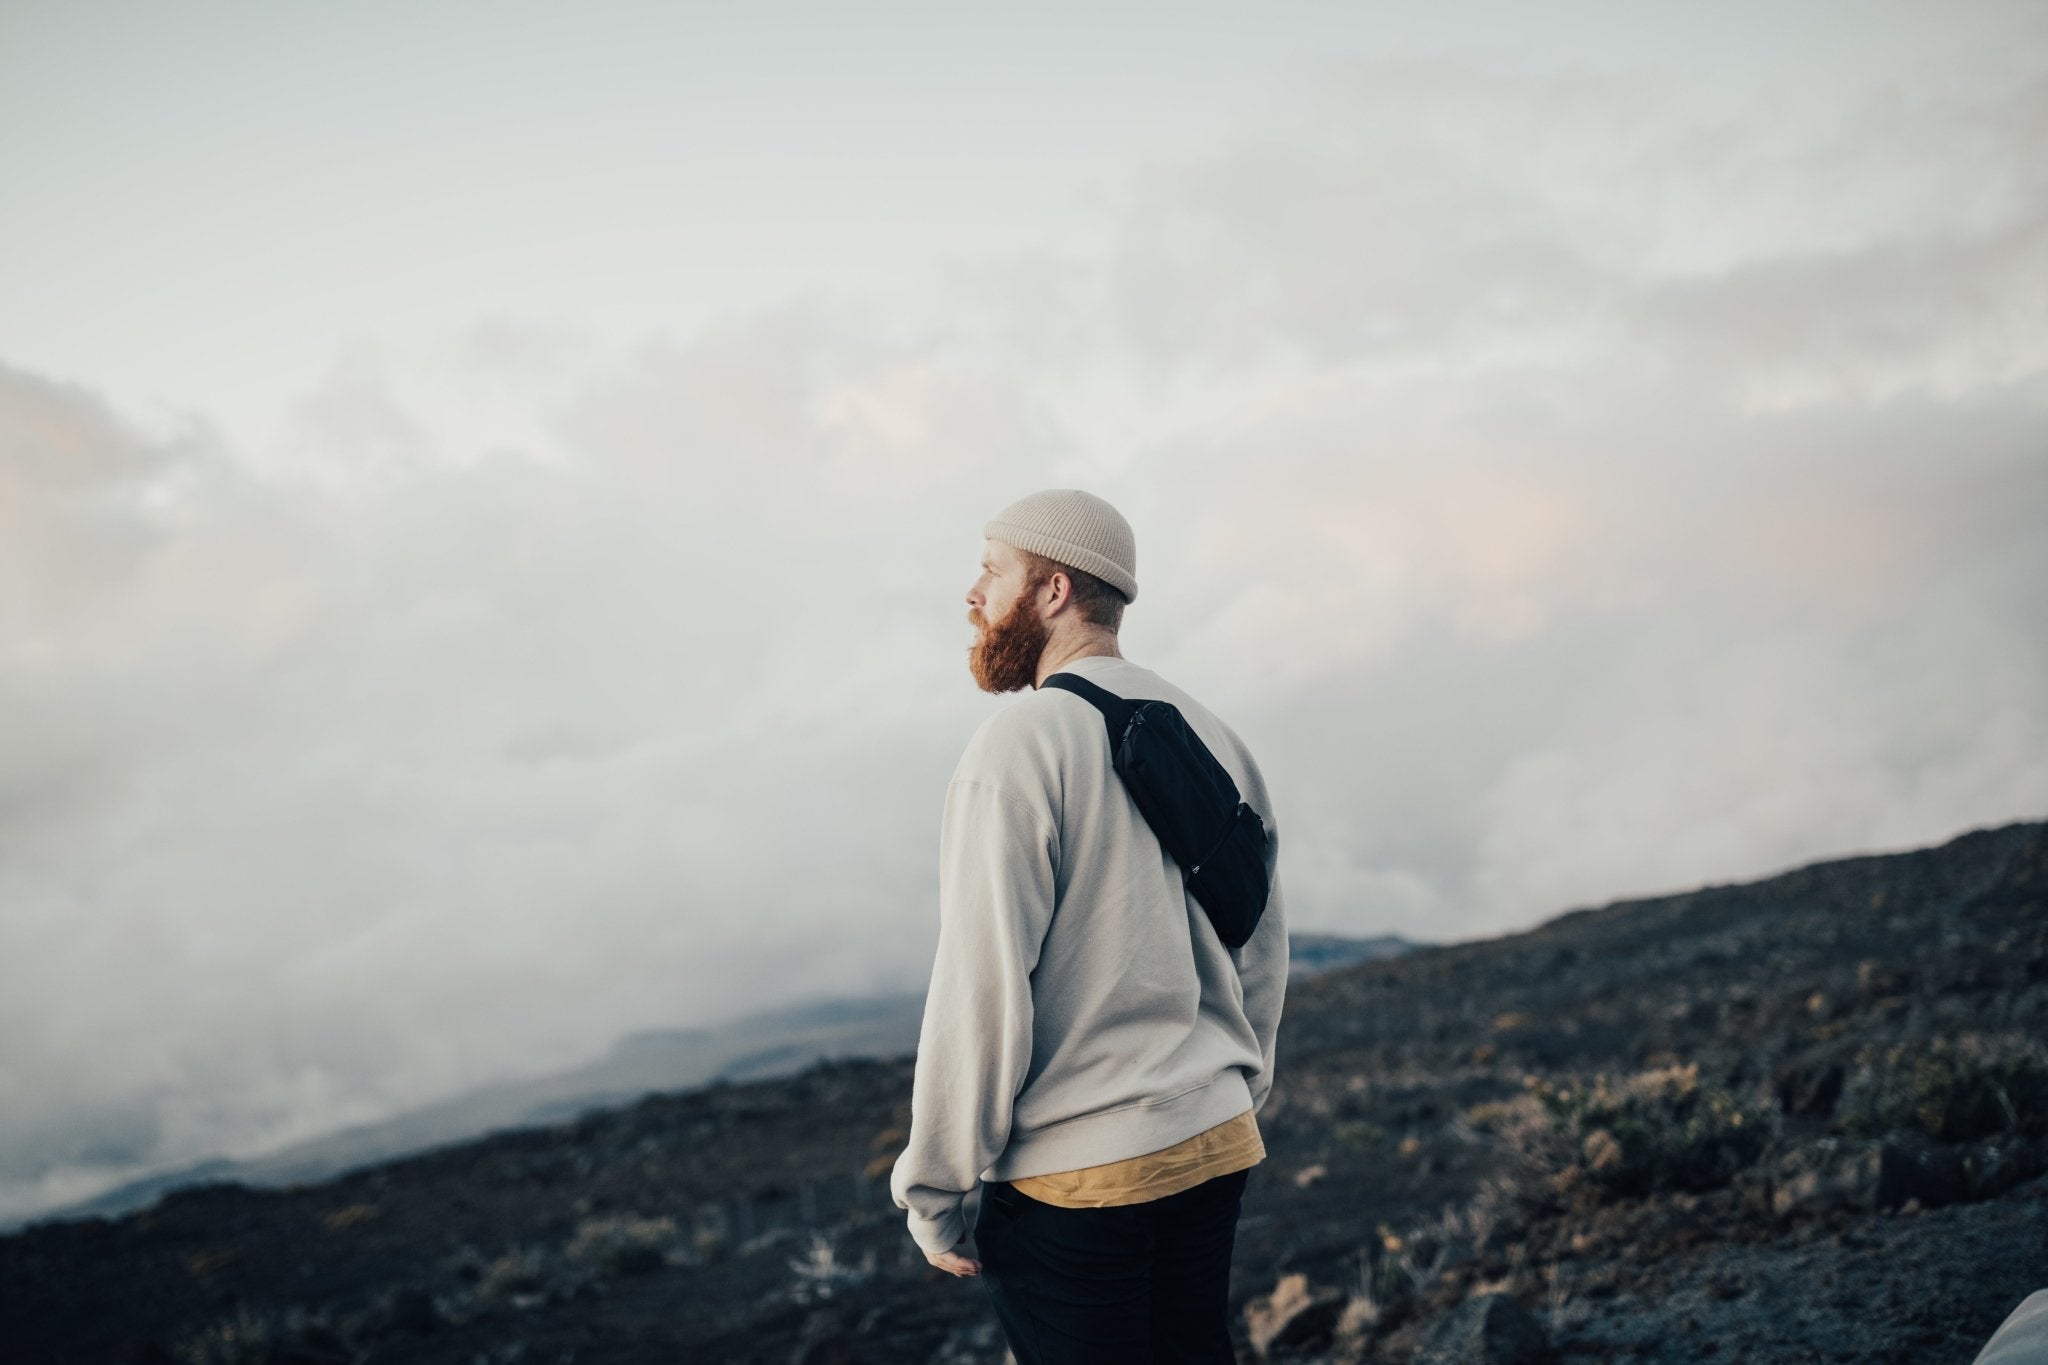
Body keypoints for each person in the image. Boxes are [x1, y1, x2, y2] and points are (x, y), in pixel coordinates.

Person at [890, 488, 1289, 1364]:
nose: (972, 595)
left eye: (992, 572)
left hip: (1080, 1177)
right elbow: (1259, 940)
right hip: (1213, 1141)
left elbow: (983, 990)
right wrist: (1231, 1089)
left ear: (1055, 589)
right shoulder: (1213, 731)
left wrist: (936, 1192)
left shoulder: (1020, 744)